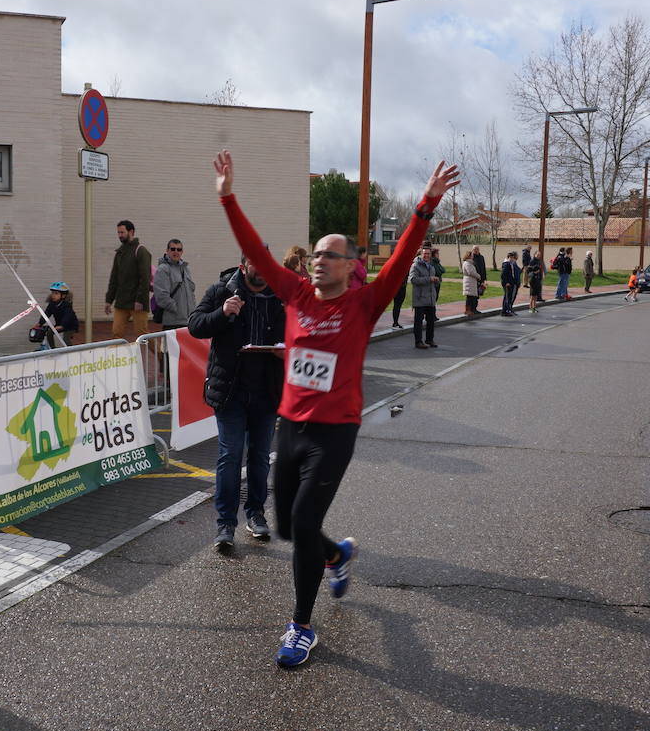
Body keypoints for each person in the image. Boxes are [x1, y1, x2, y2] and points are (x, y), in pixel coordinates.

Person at [213, 149, 460, 667]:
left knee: (301, 523)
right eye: (316, 254)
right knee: (288, 528)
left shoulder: (364, 303)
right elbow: (257, 253)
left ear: (352, 266)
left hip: (334, 433)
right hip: (290, 428)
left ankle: (301, 626)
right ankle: (335, 554)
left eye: (331, 254)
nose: (318, 260)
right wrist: (228, 198)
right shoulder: (297, 295)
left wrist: (425, 206)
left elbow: (404, 254)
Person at [188, 252, 287, 552]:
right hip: (230, 390)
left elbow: (297, 333)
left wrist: (287, 349)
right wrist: (221, 312)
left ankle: (255, 514)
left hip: (266, 391)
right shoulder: (221, 290)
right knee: (230, 456)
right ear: (245, 266)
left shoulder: (281, 296)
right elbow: (195, 325)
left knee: (259, 458)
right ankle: (225, 524)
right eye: (258, 264)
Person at [104, 219, 152, 341]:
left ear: (131, 232)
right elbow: (114, 278)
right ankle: (118, 359)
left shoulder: (141, 251)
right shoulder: (119, 252)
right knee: (116, 333)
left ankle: (161, 356)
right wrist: (109, 300)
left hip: (137, 302)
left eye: (122, 232)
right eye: (118, 233)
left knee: (142, 334)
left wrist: (140, 300)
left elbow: (145, 278)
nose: (120, 235)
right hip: (121, 301)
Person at [153, 238, 196, 331]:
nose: (176, 252)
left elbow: (191, 292)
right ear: (167, 251)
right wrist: (177, 310)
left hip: (188, 321)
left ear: (182, 252)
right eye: (173, 249)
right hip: (172, 323)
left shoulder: (185, 269)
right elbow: (162, 296)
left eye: (179, 249)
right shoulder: (163, 269)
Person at [409, 246, 440, 348]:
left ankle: (429, 340)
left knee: (431, 321)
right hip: (420, 298)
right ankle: (418, 342)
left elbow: (431, 280)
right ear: (420, 254)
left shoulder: (431, 266)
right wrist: (429, 279)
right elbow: (413, 280)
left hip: (430, 298)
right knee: (418, 321)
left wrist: (436, 280)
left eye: (428, 254)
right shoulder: (415, 266)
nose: (426, 255)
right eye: (424, 253)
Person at [34, 282, 79, 348]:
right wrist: (40, 323)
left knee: (66, 339)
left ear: (63, 295)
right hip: (59, 324)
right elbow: (46, 314)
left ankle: (70, 352)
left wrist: (62, 325)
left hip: (70, 325)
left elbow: (67, 316)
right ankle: (53, 349)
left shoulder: (67, 305)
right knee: (49, 333)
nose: (53, 295)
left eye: (56, 293)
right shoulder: (52, 304)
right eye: (52, 293)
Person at [500, 251, 521, 316]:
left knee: (509, 297)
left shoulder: (511, 263)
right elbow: (503, 275)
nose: (512, 259)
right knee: (507, 297)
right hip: (508, 283)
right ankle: (505, 311)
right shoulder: (506, 264)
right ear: (508, 257)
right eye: (511, 257)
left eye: (513, 257)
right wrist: (506, 282)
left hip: (512, 283)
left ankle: (508, 310)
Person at [461, 250, 480, 315]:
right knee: (469, 297)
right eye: (472, 255)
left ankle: (473, 309)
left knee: (473, 297)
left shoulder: (470, 263)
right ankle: (468, 310)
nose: (473, 256)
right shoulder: (467, 263)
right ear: (469, 256)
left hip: (471, 281)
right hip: (469, 281)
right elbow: (471, 272)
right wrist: (478, 276)